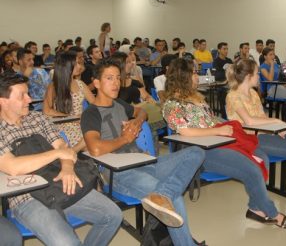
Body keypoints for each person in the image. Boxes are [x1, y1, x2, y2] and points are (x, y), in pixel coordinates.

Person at [80, 59, 205, 245]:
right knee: (175, 199)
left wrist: (135, 122)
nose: (116, 83)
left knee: (196, 152)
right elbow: (95, 149)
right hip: (120, 173)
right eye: (109, 78)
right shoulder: (91, 113)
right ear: (96, 83)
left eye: (117, 78)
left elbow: (142, 112)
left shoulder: (119, 104)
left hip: (145, 162)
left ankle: (162, 194)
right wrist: (125, 139)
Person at [163, 58, 286, 229]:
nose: (198, 76)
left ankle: (255, 208)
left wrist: (223, 127)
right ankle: (272, 213)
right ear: (183, 76)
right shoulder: (171, 104)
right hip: (201, 151)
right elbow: (186, 132)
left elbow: (209, 120)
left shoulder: (196, 98)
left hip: (219, 141)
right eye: (194, 73)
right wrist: (217, 131)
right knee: (253, 169)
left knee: (261, 157)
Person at [0, 72, 122, 245]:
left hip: (59, 182)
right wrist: (57, 154)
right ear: (3, 101)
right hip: (27, 197)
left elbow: (64, 148)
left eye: (28, 93)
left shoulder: (38, 118)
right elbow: (12, 167)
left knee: (113, 215)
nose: (29, 99)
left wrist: (67, 168)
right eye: (22, 96)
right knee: (68, 243)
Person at [226, 59, 286, 209]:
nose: (259, 76)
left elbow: (263, 118)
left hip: (266, 132)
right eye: (257, 74)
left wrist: (278, 130)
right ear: (248, 77)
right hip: (251, 138)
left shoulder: (253, 93)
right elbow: (249, 122)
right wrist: (277, 122)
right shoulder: (233, 96)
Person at [43, 52, 95, 153]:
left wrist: (85, 116)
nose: (79, 66)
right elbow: (46, 110)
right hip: (65, 123)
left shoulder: (80, 84)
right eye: (76, 64)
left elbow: (95, 104)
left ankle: (74, 151)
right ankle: (75, 152)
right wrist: (69, 117)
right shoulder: (54, 86)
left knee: (96, 135)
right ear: (66, 67)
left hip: (81, 122)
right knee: (89, 141)